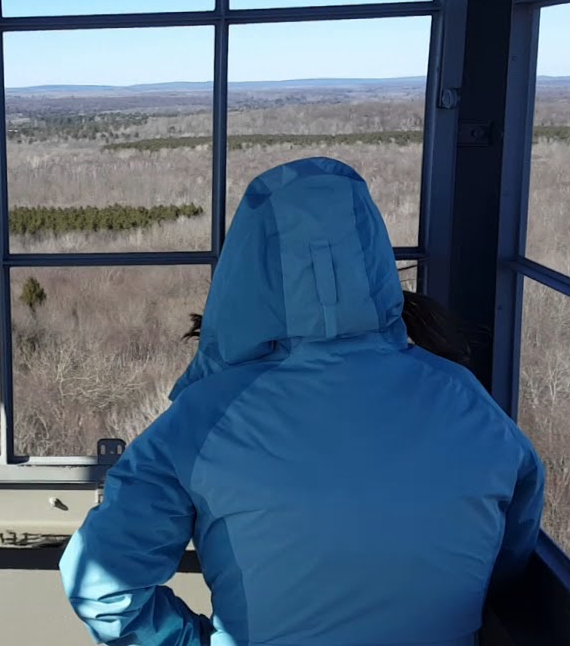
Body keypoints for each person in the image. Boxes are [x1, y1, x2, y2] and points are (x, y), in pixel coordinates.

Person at [59, 157, 544, 646]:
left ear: (245, 273)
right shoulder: (467, 401)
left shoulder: (203, 419)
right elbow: (505, 559)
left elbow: (103, 589)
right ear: (373, 259)